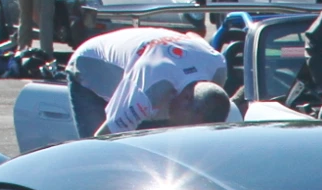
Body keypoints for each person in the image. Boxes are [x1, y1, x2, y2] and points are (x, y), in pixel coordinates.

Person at [67, 27, 201, 137]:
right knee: (102, 156)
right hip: (89, 66)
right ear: (187, 99)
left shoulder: (218, 63)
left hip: (145, 60)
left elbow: (192, 35)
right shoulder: (148, 92)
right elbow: (100, 141)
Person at [97, 34, 236, 135]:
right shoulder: (151, 90)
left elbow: (193, 35)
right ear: (186, 99)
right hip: (94, 65)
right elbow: (102, 138)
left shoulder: (218, 68)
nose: (185, 131)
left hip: (153, 50)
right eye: (189, 125)